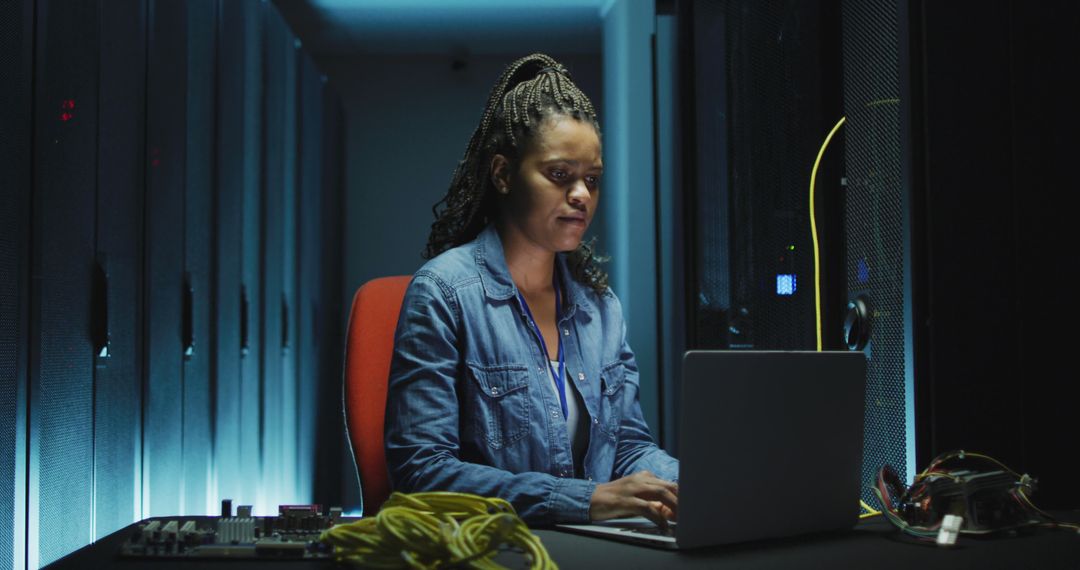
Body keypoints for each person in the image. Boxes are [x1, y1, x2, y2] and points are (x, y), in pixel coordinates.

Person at [384, 53, 678, 527]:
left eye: (593, 180)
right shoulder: (443, 293)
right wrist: (585, 500)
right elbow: (422, 472)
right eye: (560, 175)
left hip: (594, 548)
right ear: (502, 174)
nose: (581, 195)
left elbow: (628, 447)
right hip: (493, 549)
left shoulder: (601, 308)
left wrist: (691, 486)